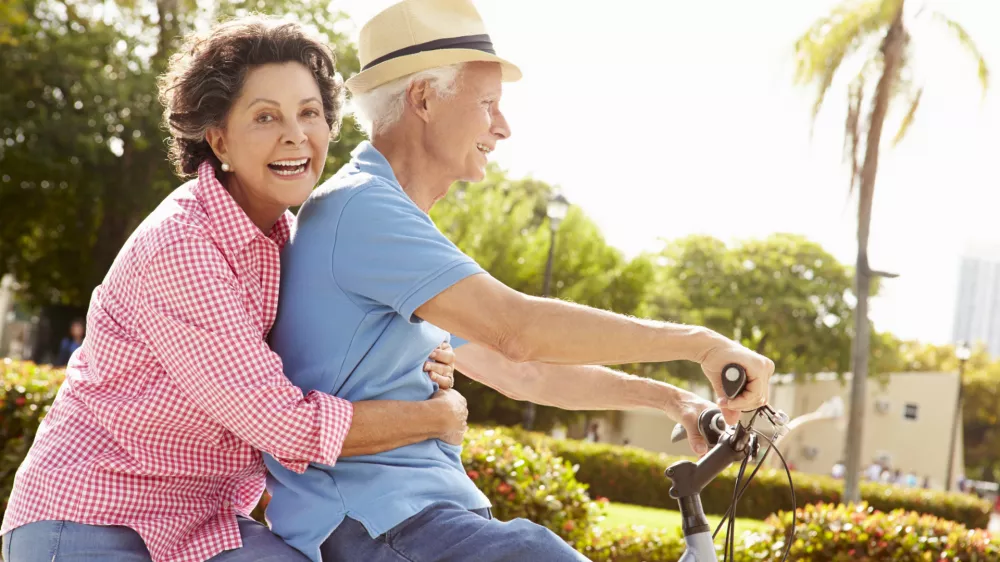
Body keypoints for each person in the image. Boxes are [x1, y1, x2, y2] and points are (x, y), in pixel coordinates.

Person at [262, 0, 776, 560]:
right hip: (373, 521)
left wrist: (671, 398)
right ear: (423, 98)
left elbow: (521, 370)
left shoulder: (389, 220)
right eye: (488, 105)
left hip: (414, 518)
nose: (503, 127)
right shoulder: (363, 211)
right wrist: (699, 344)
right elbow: (518, 330)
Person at [0, 16, 469, 562]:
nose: (294, 134)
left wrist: (418, 365)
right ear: (219, 139)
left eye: (309, 112)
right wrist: (436, 417)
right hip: (90, 517)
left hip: (204, 523)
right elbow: (284, 424)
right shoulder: (184, 244)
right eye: (265, 116)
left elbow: (345, 356)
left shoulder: (289, 241)